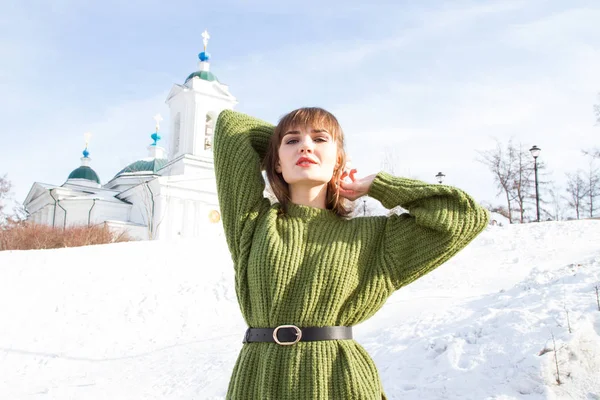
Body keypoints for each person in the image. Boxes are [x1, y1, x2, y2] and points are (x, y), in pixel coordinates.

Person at [213, 107, 489, 399]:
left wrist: (376, 185)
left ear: (339, 162)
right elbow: (231, 127)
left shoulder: (374, 237)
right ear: (276, 164)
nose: (306, 145)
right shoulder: (253, 223)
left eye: (320, 139)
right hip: (258, 381)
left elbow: (465, 216)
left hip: (339, 382)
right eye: (292, 141)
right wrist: (285, 146)